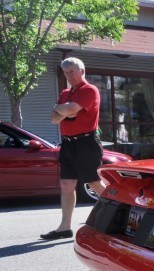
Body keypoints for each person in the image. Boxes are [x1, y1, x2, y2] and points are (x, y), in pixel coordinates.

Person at [41, 57, 104, 240]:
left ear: (82, 71)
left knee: (94, 183)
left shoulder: (90, 90)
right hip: (68, 143)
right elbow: (54, 118)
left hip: (86, 143)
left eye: (72, 72)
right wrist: (64, 109)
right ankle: (64, 228)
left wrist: (63, 110)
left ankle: (121, 212)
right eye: (66, 73)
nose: (69, 76)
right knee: (67, 185)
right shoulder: (65, 93)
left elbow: (67, 111)